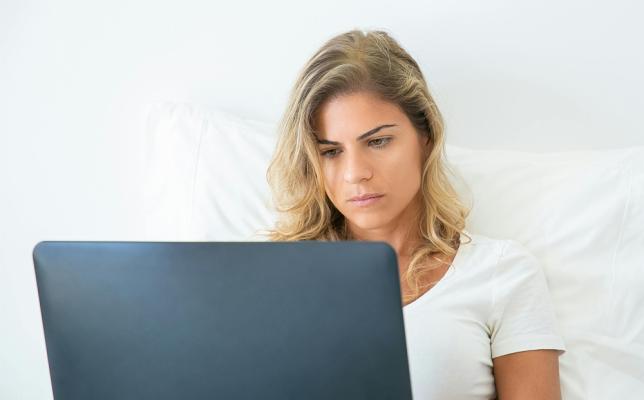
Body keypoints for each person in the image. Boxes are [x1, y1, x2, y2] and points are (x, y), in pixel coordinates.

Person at [264, 29, 566, 399]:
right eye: (330, 151)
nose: (355, 172)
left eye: (377, 141)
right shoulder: (271, 275)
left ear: (425, 137)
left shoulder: (502, 273)